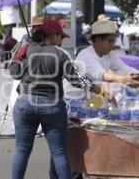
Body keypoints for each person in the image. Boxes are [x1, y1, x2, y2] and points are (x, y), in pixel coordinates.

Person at [9, 19, 116, 179]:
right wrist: (101, 91)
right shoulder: (60, 54)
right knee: (59, 153)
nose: (62, 40)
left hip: (25, 104)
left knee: (22, 151)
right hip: (52, 106)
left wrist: (21, 48)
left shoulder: (27, 49)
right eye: (61, 36)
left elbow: (14, 73)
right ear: (52, 35)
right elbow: (78, 79)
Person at [64, 19, 139, 100]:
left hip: (85, 100)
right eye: (110, 41)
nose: (113, 45)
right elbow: (102, 74)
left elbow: (125, 69)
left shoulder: (110, 55)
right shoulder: (86, 55)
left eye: (113, 41)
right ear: (98, 40)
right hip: (68, 99)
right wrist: (123, 79)